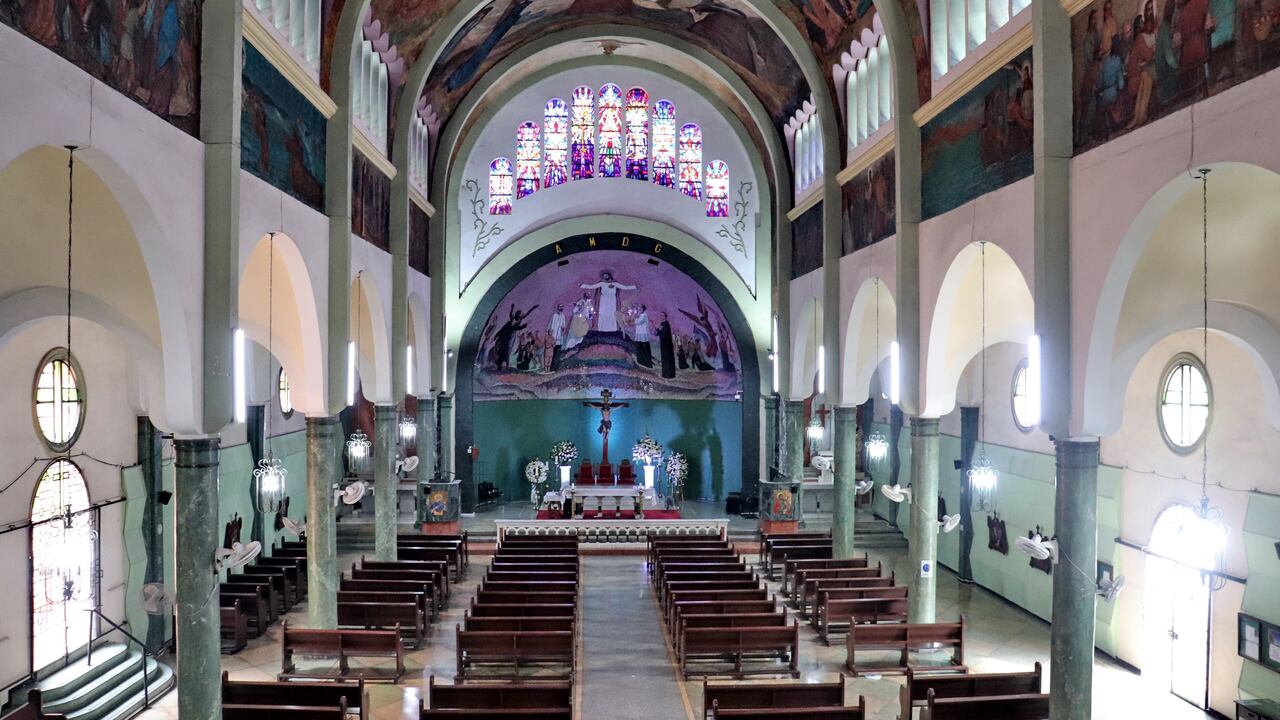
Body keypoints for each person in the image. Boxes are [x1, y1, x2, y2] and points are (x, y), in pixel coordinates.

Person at [491, 303, 537, 370]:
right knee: (503, 350)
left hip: (510, 335)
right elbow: (507, 327)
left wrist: (533, 308)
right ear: (518, 315)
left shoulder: (518, 320)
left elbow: (522, 321)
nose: (522, 314)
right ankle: (500, 364)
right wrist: (512, 308)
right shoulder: (512, 321)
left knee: (506, 350)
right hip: (506, 335)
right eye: (521, 313)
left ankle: (502, 364)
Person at [547, 303, 567, 370]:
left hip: (559, 337)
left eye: (562, 307)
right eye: (560, 307)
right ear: (558, 307)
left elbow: (564, 325)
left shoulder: (563, 316)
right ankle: (550, 367)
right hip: (553, 337)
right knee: (551, 353)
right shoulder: (554, 315)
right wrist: (550, 333)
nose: (561, 308)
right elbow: (550, 324)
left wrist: (563, 328)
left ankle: (555, 367)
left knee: (557, 353)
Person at [657, 312, 677, 379]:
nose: (661, 317)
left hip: (666, 345)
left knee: (667, 359)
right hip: (664, 344)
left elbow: (663, 334)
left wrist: (658, 332)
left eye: (662, 315)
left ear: (665, 316)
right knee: (664, 359)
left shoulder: (666, 324)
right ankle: (665, 373)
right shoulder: (662, 323)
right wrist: (656, 331)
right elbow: (659, 332)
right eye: (660, 315)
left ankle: (668, 375)